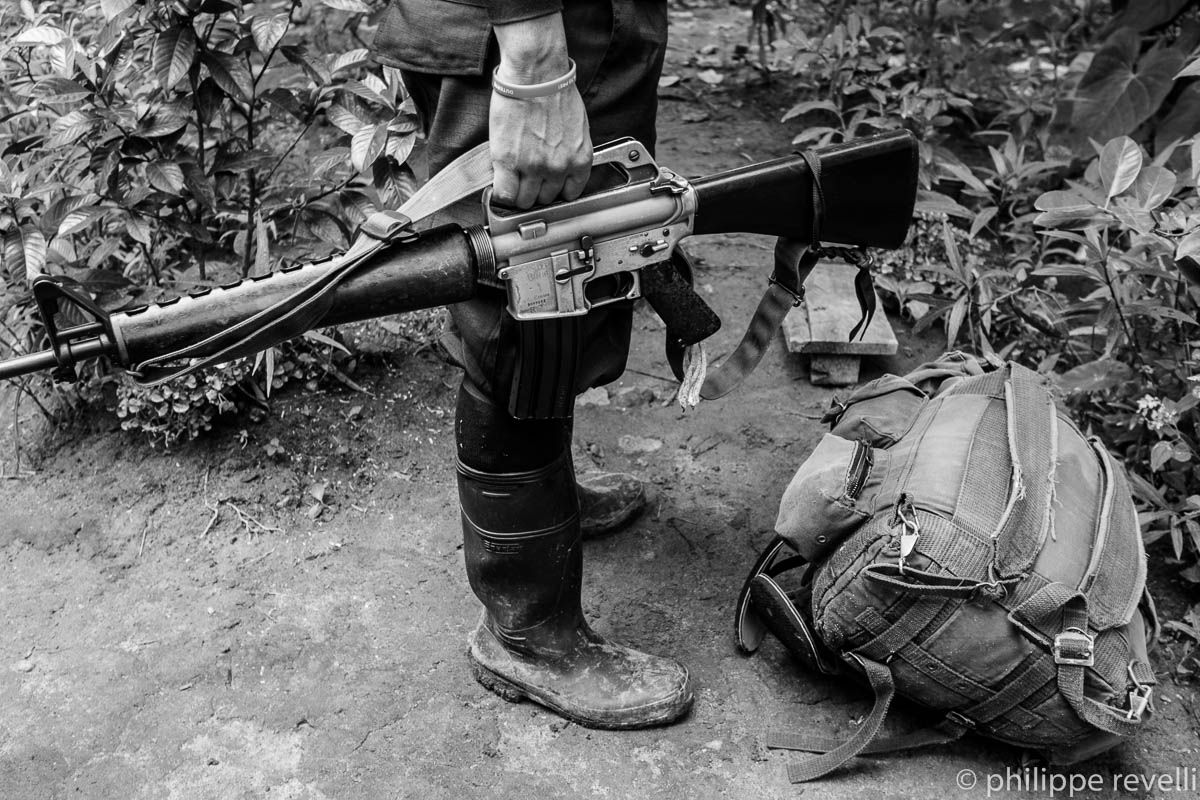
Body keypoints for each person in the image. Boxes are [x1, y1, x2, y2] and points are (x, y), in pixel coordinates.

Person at [372, 0, 694, 728]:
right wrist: (535, 62)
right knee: (517, 302)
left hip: (570, 26)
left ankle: (544, 503)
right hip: (528, 32)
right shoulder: (535, 53)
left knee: (575, 267)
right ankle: (529, 634)